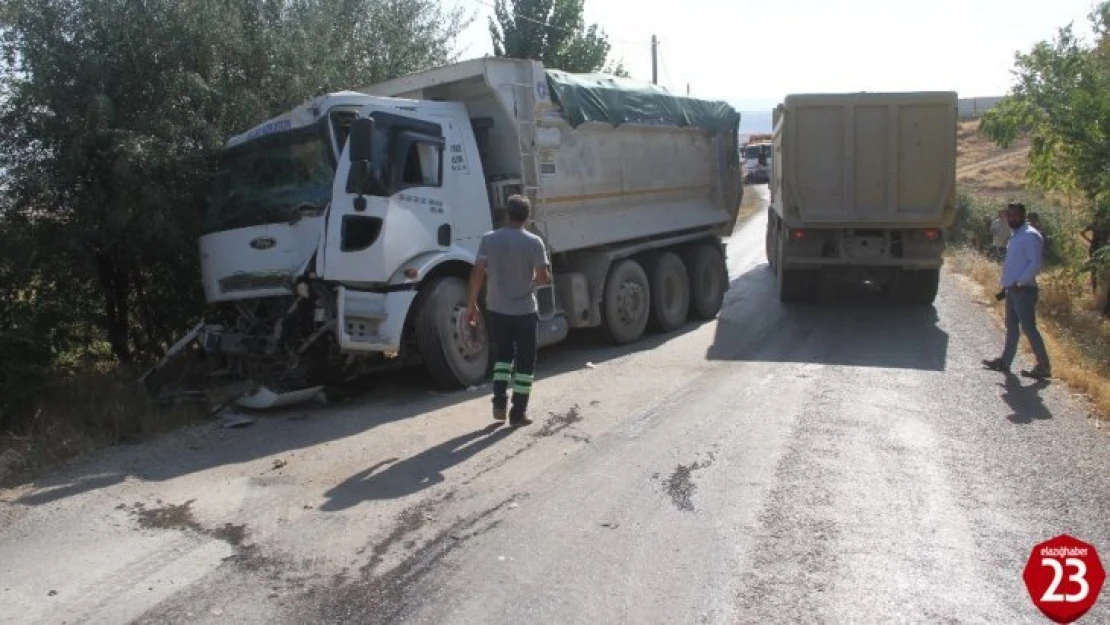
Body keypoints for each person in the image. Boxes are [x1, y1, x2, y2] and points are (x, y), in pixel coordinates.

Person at [466, 195, 551, 426]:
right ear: (527, 217)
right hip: (525, 311)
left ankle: (499, 403)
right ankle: (518, 413)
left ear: (507, 213)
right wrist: (534, 279)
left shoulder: (488, 239)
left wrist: (471, 304)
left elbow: (477, 272)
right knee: (525, 363)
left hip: (497, 309)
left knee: (502, 358)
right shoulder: (534, 242)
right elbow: (543, 278)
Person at [982, 201, 1052, 379]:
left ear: (1023, 215)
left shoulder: (1030, 235)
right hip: (1013, 290)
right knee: (1011, 327)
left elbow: (1035, 264)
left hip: (1024, 290)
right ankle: (1005, 362)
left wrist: (1020, 283)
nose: (1011, 218)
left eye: (1015, 215)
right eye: (1009, 215)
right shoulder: (1016, 235)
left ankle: (1043, 367)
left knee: (1029, 328)